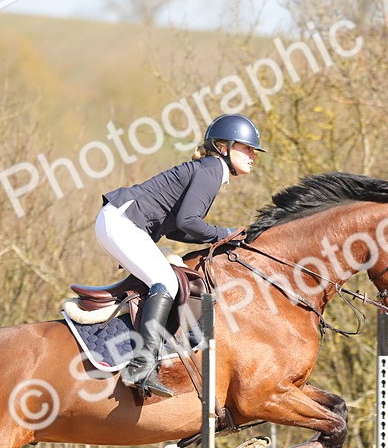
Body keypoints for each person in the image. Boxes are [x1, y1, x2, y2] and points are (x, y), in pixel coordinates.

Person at [95, 113, 264, 398]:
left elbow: (177, 229)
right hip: (122, 221)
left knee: (163, 279)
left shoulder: (210, 170)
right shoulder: (212, 169)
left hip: (120, 220)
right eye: (247, 148)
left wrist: (222, 237)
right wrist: (225, 232)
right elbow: (189, 221)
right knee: (166, 281)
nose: (253, 155)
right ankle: (141, 365)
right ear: (224, 147)